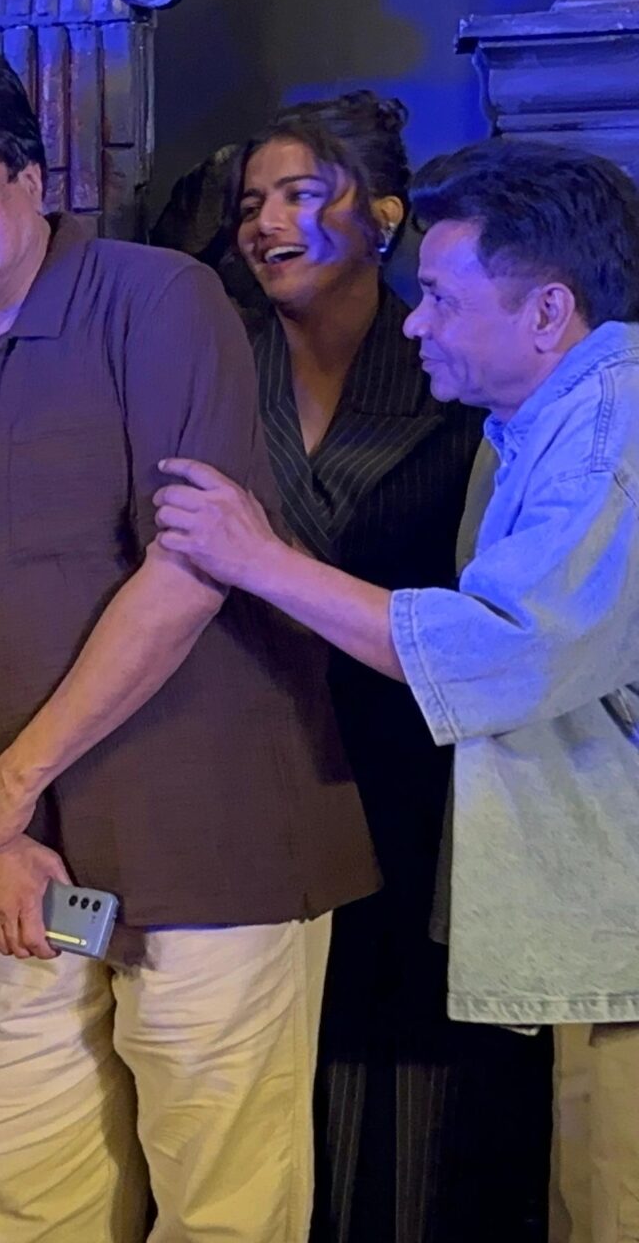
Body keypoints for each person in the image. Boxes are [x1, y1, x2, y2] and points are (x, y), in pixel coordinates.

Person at [0, 45, 378, 1243]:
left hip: (205, 848)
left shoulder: (155, 299)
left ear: (29, 180)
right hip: (13, 870)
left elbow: (188, 573)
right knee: (23, 1203)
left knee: (222, 1211)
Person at [154, 136, 639, 1243]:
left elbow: (509, 649)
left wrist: (258, 559)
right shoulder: (553, 420)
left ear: (547, 310)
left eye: (443, 299)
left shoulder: (609, 431)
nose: (415, 324)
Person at [229, 96, 548, 1242]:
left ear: (383, 218)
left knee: (413, 1064)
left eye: (299, 194)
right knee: (265, 1077)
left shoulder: (458, 369)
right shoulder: (214, 369)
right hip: (254, 767)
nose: (266, 222)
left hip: (421, 771)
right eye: (250, 202)